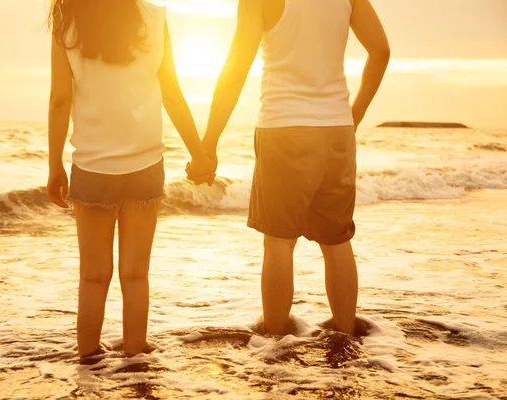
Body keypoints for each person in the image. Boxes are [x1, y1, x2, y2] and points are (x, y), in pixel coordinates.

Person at [197, 0, 390, 335]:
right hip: (336, 131)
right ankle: (345, 337)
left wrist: (209, 141)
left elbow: (236, 68)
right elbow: (381, 51)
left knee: (279, 243)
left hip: (283, 128)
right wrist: (353, 116)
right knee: (337, 241)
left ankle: (275, 342)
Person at [46, 0, 212, 356]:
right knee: (135, 275)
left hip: (91, 166)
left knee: (93, 276)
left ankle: (88, 362)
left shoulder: (67, 21)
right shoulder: (153, 18)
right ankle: (135, 360)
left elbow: (60, 98)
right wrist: (198, 153)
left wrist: (54, 164)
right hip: (144, 164)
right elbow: (171, 91)